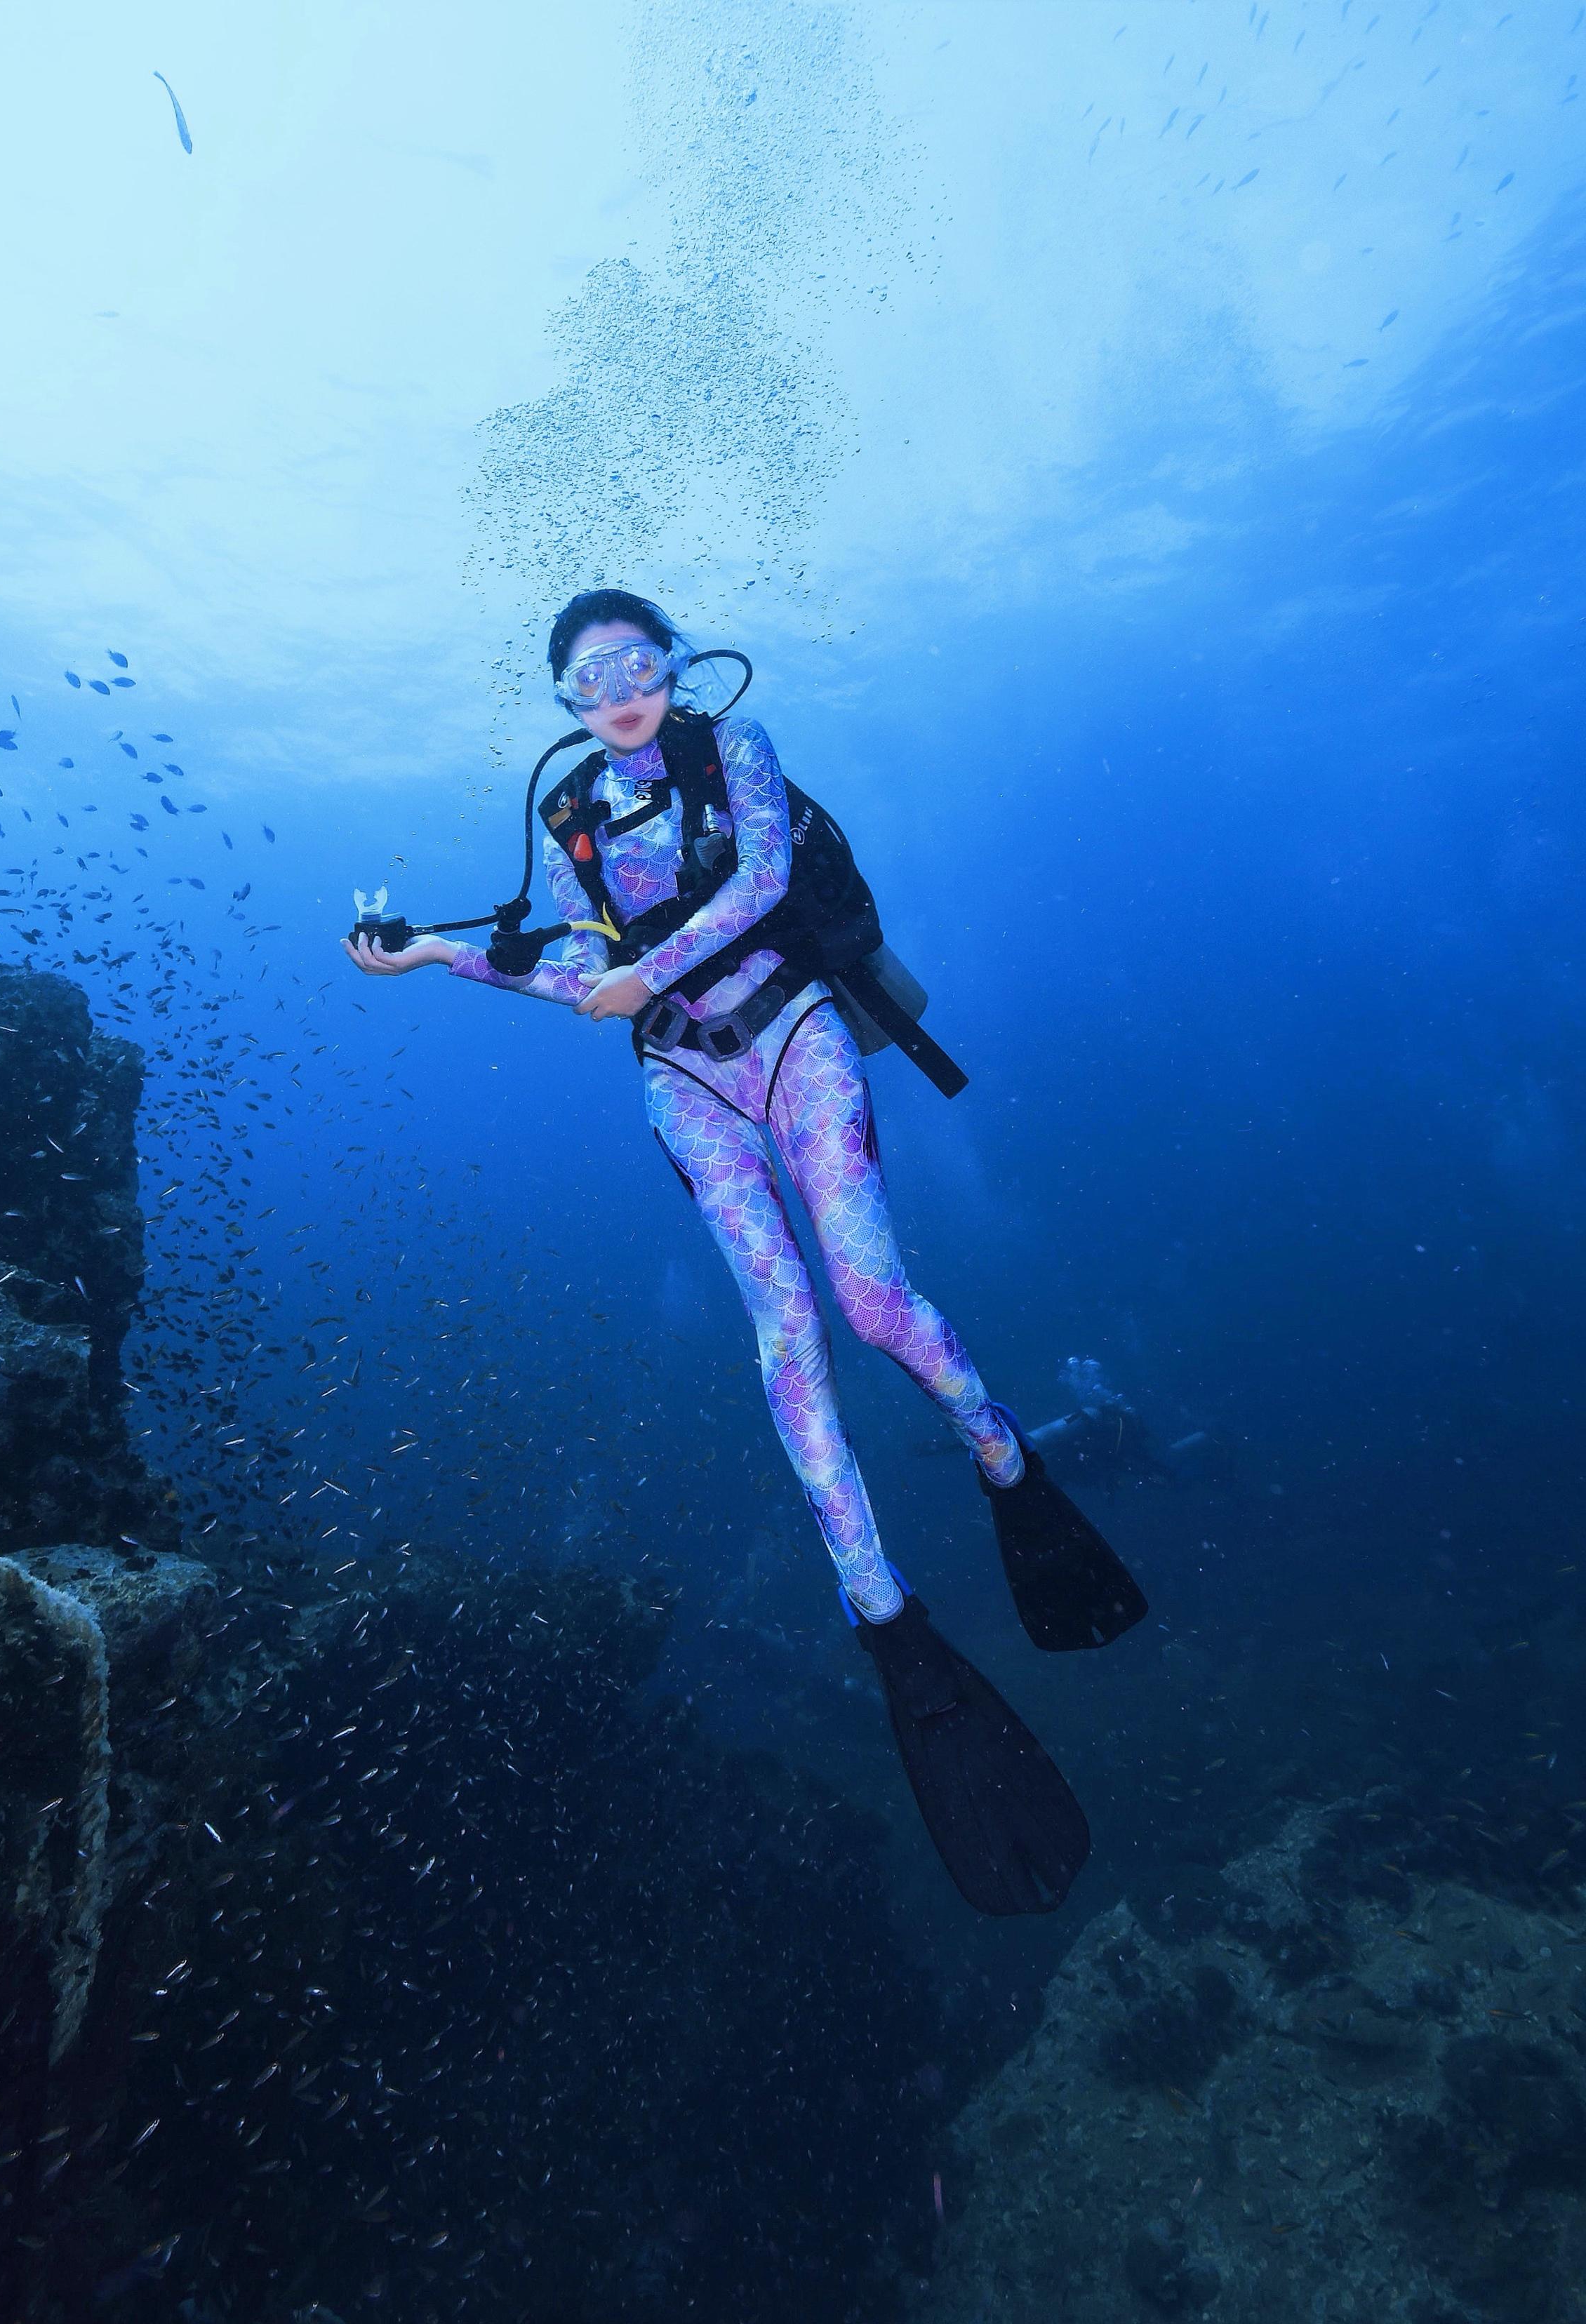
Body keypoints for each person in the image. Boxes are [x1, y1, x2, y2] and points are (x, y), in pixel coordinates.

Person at [344, 591, 1143, 1915]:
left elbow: (765, 882)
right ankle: (879, 1605)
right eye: (589, 672)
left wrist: (643, 978)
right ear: (561, 699)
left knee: (875, 1306)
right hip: (684, 1083)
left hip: (798, 1037)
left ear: (674, 666)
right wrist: (436, 955)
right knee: (787, 1335)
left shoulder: (738, 750)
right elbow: (575, 966)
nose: (619, 686)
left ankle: (1000, 1451)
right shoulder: (568, 817)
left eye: (639, 660)